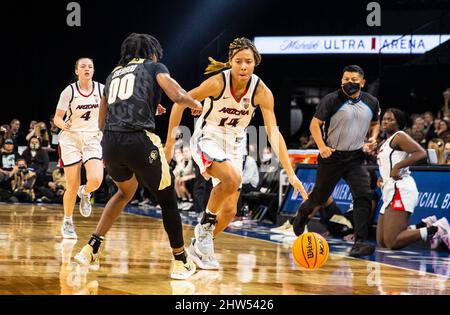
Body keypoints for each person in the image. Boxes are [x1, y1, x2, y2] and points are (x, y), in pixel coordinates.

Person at [164, 37, 308, 269]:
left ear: (255, 63)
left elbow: (273, 134)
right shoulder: (217, 83)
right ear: (230, 62)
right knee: (232, 178)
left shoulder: (262, 92)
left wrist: (291, 173)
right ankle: (205, 229)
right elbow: (179, 103)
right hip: (208, 136)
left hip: (235, 143)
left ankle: (199, 246)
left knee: (230, 211)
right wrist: (170, 143)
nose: (243, 66)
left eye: (248, 61)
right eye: (238, 61)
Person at [74, 33, 202, 280]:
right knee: (167, 199)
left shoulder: (113, 74)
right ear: (150, 52)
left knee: (124, 192)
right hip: (139, 141)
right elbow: (176, 94)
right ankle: (181, 261)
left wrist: (145, 107)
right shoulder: (154, 66)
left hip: (110, 143)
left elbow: (102, 120)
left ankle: (91, 247)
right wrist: (194, 102)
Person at [292, 65, 380, 257]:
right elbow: (315, 124)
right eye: (346, 79)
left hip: (356, 157)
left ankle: (359, 242)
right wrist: (322, 146)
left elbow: (375, 123)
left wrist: (373, 137)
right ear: (341, 81)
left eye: (354, 79)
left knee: (363, 194)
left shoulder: (371, 102)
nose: (350, 82)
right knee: (320, 197)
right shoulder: (331, 100)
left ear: (362, 82)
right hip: (331, 156)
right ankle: (302, 214)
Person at [376, 108, 450, 250]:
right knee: (382, 241)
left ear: (398, 123)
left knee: (392, 242)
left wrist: (398, 166)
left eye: (390, 119)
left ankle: (437, 229)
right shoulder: (385, 142)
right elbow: (387, 166)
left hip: (401, 189)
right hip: (389, 190)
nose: (385, 121)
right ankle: (423, 225)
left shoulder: (399, 136)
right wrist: (381, 177)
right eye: (384, 118)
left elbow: (421, 153)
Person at [53, 57, 105, 239]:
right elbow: (57, 117)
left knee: (96, 179)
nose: (87, 69)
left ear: (93, 70)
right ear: (76, 71)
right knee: (72, 185)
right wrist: (62, 125)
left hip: (92, 138)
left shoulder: (101, 89)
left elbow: (119, 107)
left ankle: (86, 192)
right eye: (83, 66)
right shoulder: (69, 91)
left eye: (90, 66)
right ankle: (67, 221)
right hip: (71, 139)